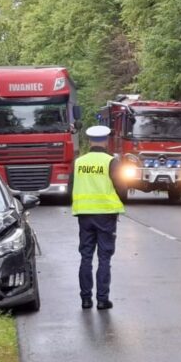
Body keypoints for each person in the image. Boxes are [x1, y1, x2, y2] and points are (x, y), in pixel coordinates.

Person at [72, 125, 125, 310]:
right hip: (105, 216)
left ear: (89, 141)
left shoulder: (79, 162)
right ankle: (102, 300)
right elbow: (121, 187)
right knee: (104, 258)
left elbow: (72, 184)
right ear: (106, 141)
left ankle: (85, 299)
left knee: (85, 256)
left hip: (84, 215)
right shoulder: (111, 162)